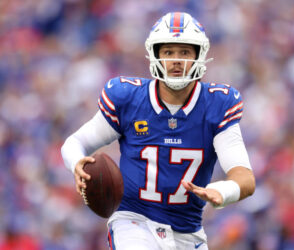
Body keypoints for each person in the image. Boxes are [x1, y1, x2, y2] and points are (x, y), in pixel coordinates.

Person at [61, 12, 255, 250]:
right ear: (155, 55)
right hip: (133, 222)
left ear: (199, 55)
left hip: (187, 233)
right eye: (168, 52)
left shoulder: (217, 105)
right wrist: (77, 163)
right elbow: (74, 143)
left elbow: (244, 177)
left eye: (184, 52)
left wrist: (222, 191)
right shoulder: (128, 98)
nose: (176, 60)